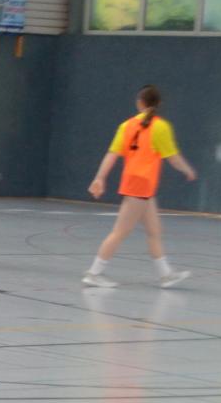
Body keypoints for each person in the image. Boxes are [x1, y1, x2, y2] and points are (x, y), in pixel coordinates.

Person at [82, 85, 198, 289]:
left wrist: (100, 177)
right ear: (158, 104)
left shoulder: (126, 125)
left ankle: (166, 274)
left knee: (154, 231)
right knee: (120, 232)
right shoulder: (160, 127)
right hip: (140, 185)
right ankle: (94, 273)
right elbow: (173, 157)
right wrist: (188, 170)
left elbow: (112, 154)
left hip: (141, 186)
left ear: (139, 103)